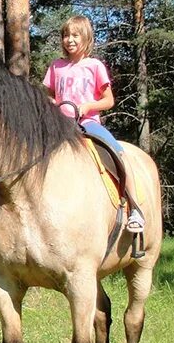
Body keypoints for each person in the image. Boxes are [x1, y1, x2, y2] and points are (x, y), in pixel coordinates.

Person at [42, 15, 145, 234]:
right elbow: (50, 95)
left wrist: (88, 106)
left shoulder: (94, 66)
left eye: (75, 35)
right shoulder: (56, 66)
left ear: (86, 38)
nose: (69, 40)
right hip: (60, 126)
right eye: (66, 35)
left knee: (117, 153)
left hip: (88, 124)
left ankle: (135, 208)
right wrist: (52, 105)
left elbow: (109, 100)